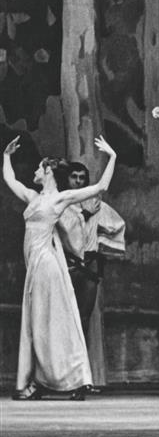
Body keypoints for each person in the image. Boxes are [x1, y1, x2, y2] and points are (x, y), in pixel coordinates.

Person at [4, 135, 117, 400]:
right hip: (35, 266)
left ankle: (71, 379)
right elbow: (11, 181)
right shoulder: (34, 197)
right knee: (39, 326)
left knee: (50, 324)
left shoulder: (60, 199)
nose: (34, 171)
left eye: (38, 168)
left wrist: (112, 156)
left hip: (46, 265)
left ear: (48, 172)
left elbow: (100, 186)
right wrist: (6, 157)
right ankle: (43, 380)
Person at [56, 161, 126, 392]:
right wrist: (84, 216)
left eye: (81, 177)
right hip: (66, 265)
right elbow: (60, 231)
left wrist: (101, 246)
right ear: (67, 179)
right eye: (74, 177)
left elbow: (116, 224)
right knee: (64, 321)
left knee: (84, 319)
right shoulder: (61, 202)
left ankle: (81, 378)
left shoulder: (95, 203)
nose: (78, 181)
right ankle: (61, 376)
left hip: (89, 265)